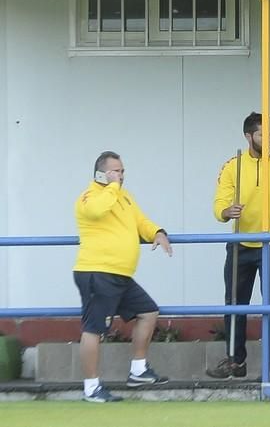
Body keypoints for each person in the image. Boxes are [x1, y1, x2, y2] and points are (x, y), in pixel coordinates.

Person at [208, 112, 270, 379]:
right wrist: (226, 212)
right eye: (264, 134)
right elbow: (219, 203)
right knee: (234, 304)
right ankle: (235, 361)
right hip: (239, 243)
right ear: (249, 136)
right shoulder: (233, 165)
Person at [73, 151, 173, 403]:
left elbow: (141, 222)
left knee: (148, 312)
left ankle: (138, 370)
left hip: (120, 274)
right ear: (101, 173)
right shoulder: (90, 196)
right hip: (97, 271)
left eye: (122, 170)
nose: (121, 175)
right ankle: (92, 387)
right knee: (94, 329)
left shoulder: (124, 197)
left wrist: (158, 232)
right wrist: (112, 187)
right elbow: (96, 211)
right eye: (115, 171)